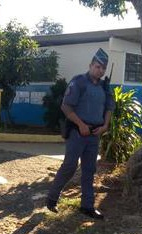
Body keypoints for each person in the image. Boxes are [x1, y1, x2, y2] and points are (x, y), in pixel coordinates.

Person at [46, 48, 115, 219]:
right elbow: (66, 106)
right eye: (97, 67)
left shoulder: (105, 87)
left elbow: (109, 108)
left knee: (89, 170)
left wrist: (105, 125)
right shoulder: (79, 82)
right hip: (78, 133)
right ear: (91, 65)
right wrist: (81, 124)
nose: (100, 71)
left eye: (103, 68)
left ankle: (87, 206)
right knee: (69, 166)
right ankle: (52, 199)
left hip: (94, 134)